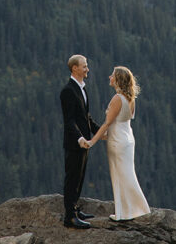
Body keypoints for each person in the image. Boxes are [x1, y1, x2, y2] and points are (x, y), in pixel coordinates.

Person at [84, 65, 150, 221]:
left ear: (118, 79)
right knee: (127, 173)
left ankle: (126, 212)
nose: (109, 77)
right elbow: (123, 122)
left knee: (120, 174)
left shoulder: (117, 98)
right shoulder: (130, 98)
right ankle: (130, 210)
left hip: (117, 140)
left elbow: (107, 124)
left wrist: (92, 141)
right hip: (127, 138)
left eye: (112, 75)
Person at [60, 53, 100, 228]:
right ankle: (69, 217)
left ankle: (75, 209)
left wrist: (100, 132)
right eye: (84, 66)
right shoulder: (68, 91)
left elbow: (86, 117)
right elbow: (69, 120)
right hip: (75, 143)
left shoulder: (82, 89)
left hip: (84, 142)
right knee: (72, 179)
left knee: (80, 177)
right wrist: (80, 138)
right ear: (75, 68)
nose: (87, 69)